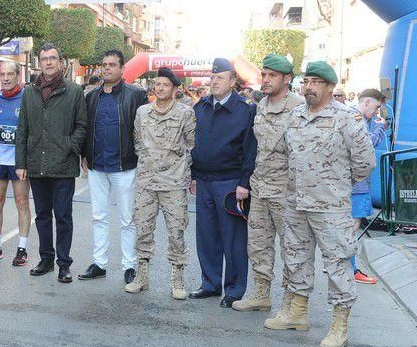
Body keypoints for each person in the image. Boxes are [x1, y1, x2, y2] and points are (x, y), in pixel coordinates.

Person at [264, 61, 375, 347]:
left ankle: (339, 325)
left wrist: (337, 185)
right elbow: (287, 155)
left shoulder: (346, 118)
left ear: (329, 87)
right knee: (295, 258)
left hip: (331, 207)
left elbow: (365, 163)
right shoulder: (296, 116)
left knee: (337, 263)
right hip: (296, 203)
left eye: (315, 82)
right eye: (306, 81)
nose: (309, 87)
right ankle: (297, 312)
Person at [233, 54, 302, 312]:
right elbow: (256, 148)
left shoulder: (299, 107)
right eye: (264, 74)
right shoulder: (260, 106)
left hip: (286, 191)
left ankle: (291, 302)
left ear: (287, 79)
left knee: (292, 249)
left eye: (272, 75)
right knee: (259, 245)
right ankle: (261, 294)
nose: (266, 79)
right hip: (260, 187)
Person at [15, 43, 87, 283]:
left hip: (63, 165)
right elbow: (22, 129)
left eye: (52, 58)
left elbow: (82, 126)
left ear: (61, 62)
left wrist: (69, 145)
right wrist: (21, 163)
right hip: (36, 164)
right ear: (39, 62)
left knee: (63, 216)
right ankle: (46, 259)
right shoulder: (29, 92)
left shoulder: (75, 91)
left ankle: (64, 264)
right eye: (44, 58)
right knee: (42, 215)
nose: (48, 62)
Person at [189, 58, 257, 308]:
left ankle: (235, 289)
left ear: (232, 81)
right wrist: (194, 174)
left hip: (230, 183)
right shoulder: (202, 106)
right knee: (206, 236)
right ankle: (210, 283)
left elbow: (250, 148)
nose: (214, 81)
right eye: (212, 77)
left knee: (233, 239)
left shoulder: (245, 109)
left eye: (220, 78)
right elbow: (195, 142)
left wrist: (244, 182)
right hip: (205, 180)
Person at [79, 49, 147, 284]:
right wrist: (83, 154)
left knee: (127, 219)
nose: (106, 68)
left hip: (125, 165)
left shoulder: (135, 96)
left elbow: (142, 131)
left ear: (121, 69)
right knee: (99, 216)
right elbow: (84, 128)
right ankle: (99, 263)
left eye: (111, 65)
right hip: (97, 165)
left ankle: (129, 265)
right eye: (104, 64)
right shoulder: (91, 97)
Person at [127, 67, 196, 298]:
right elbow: (136, 141)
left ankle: (177, 278)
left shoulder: (186, 113)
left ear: (175, 89)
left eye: (165, 85)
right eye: (157, 84)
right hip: (146, 181)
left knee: (176, 231)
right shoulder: (142, 112)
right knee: (143, 229)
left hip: (173, 183)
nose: (160, 88)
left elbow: (191, 144)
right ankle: (142, 275)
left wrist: (183, 172)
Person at [0, 60, 32, 266]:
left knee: (22, 202)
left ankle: (22, 249)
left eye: (10, 74)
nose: (5, 78)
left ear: (18, 76)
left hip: (19, 160)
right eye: (2, 74)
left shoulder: (28, 98)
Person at [349, 88, 387, 284]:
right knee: (352, 226)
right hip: (357, 184)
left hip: (355, 183)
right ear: (366, 103)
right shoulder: (356, 118)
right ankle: (350, 269)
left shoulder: (357, 118)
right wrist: (380, 127)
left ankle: (343, 265)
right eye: (376, 107)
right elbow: (368, 143)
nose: (377, 112)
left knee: (349, 226)